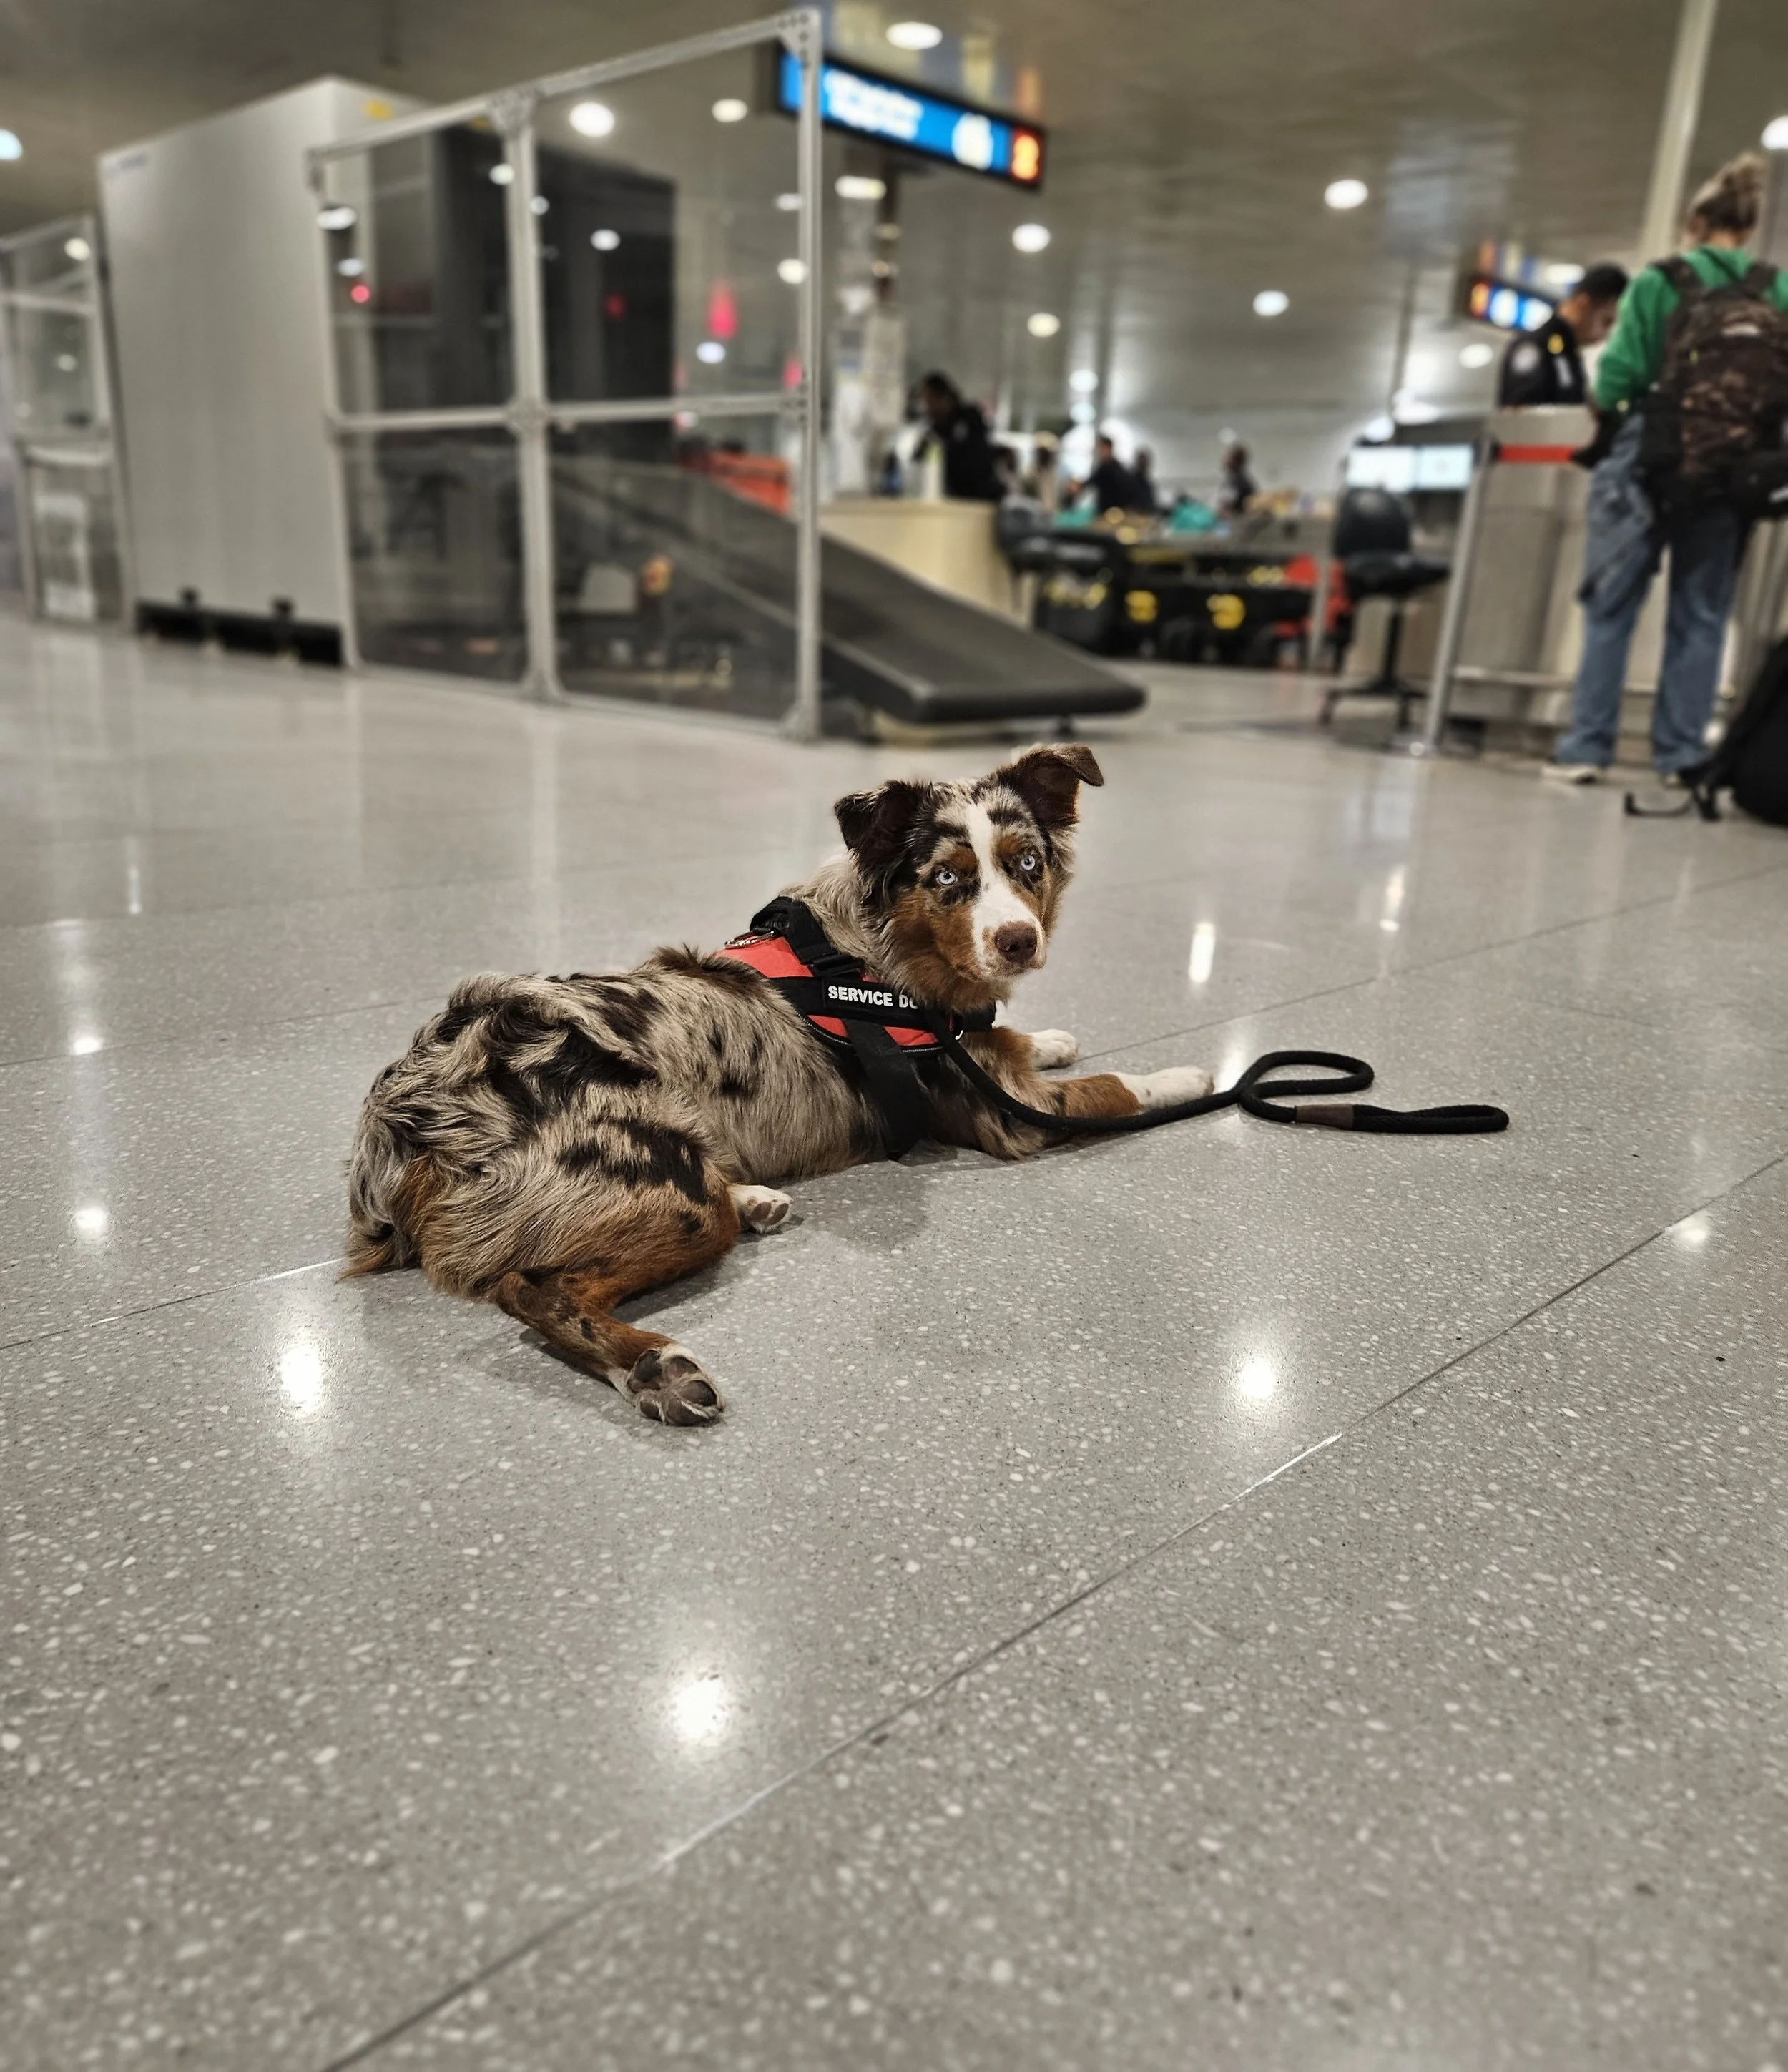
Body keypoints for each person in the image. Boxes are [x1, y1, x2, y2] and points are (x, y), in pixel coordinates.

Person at [1546, 153, 1788, 785]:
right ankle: (1681, 757)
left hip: (1647, 455)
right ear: (1748, 226)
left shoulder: (1660, 280)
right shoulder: (1778, 287)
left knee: (1611, 606)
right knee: (1702, 613)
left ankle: (1587, 750)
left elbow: (1620, 378)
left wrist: (1641, 420)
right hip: (1731, 468)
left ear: (1696, 220)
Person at [1497, 263, 1629, 408]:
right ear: (1583, 305)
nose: (1606, 335)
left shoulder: (1568, 355)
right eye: (1606, 322)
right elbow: (1520, 418)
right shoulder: (1535, 347)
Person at [913, 370, 1003, 501]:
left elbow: (978, 460)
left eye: (930, 400)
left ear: (944, 397)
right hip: (950, 502)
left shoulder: (970, 419)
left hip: (981, 499)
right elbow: (917, 464)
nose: (927, 407)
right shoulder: (932, 433)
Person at [1077, 433, 1138, 515]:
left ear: (1109, 448)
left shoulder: (1115, 469)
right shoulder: (1103, 467)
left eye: (1102, 449)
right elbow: (1092, 481)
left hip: (1114, 512)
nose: (1100, 452)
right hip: (1105, 511)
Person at [1219, 441, 1257, 518]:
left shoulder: (1239, 482)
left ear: (1236, 461)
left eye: (1228, 457)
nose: (1224, 460)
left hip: (1238, 523)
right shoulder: (1233, 480)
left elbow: (1228, 508)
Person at [1130, 445, 1161, 514]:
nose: (1145, 464)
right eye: (1142, 462)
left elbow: (1151, 503)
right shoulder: (1130, 481)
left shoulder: (1148, 483)